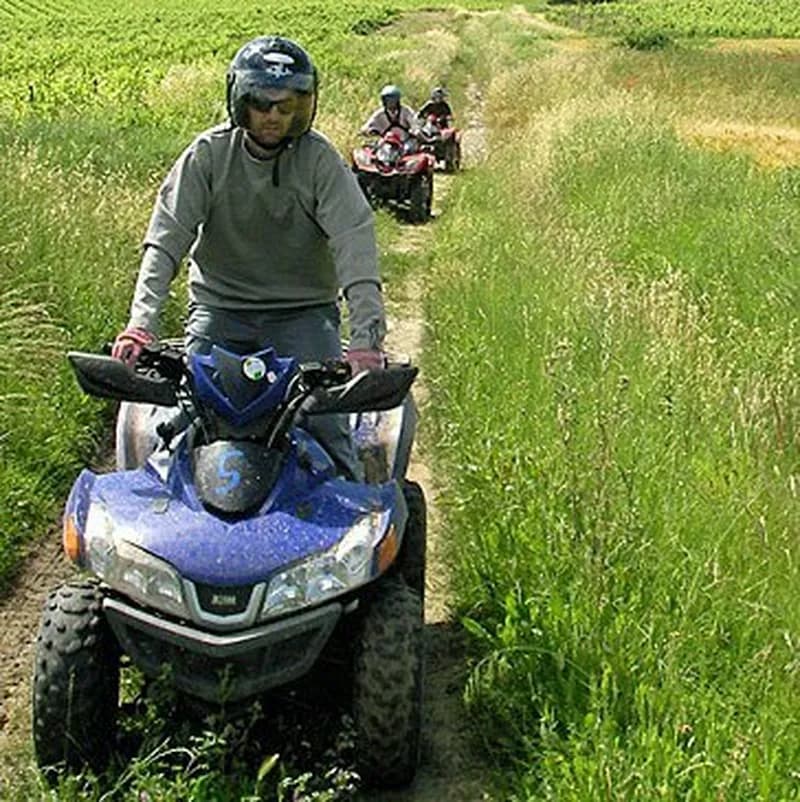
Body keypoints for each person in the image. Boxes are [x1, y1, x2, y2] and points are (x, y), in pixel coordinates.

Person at [111, 35, 386, 480]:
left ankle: (350, 513)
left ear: (304, 106)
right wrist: (141, 324)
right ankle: (165, 513)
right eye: (262, 103)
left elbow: (355, 244)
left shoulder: (321, 163)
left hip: (303, 313)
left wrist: (365, 342)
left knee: (324, 422)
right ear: (240, 100)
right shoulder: (207, 156)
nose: (274, 115)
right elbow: (165, 241)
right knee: (186, 421)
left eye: (287, 105)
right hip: (221, 311)